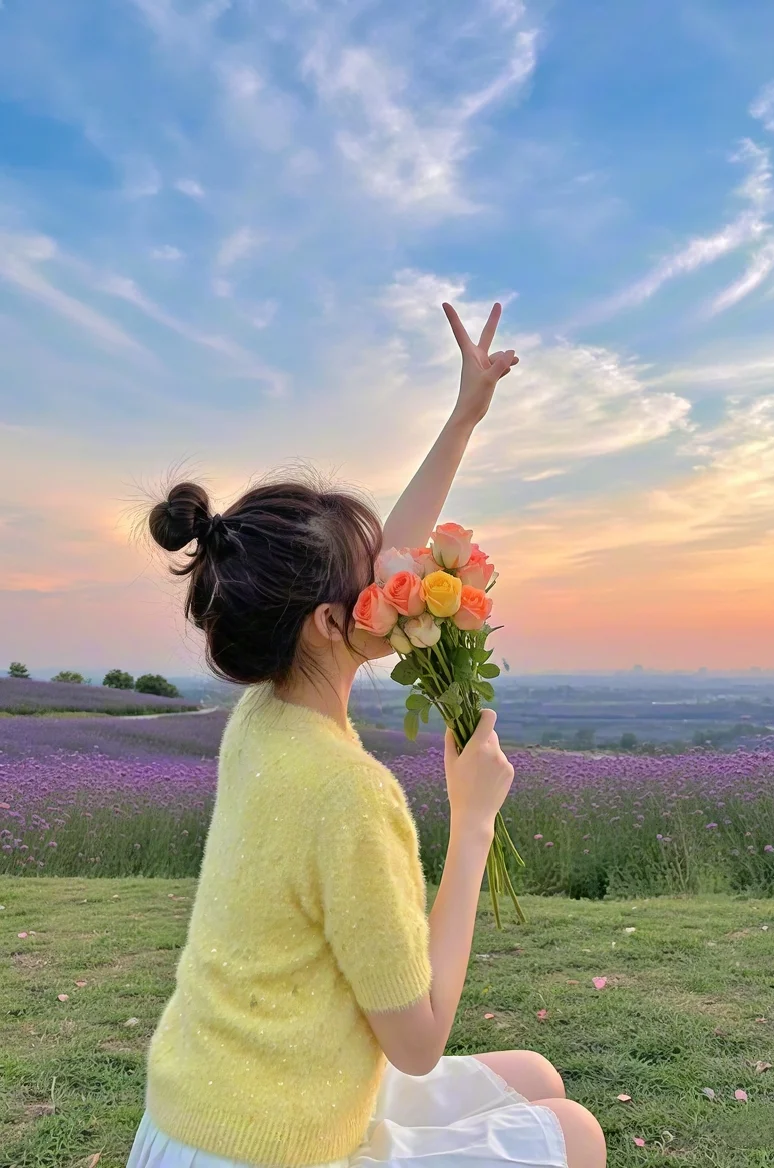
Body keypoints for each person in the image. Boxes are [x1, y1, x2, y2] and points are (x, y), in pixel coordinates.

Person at [127, 302, 606, 1168]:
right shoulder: (348, 791)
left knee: (534, 1072)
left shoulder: (263, 716)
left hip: (205, 1118)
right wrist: (474, 826)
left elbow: (388, 549)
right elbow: (418, 1042)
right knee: (575, 1134)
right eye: (376, 570)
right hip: (269, 1149)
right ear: (325, 622)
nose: (401, 570)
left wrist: (464, 417)